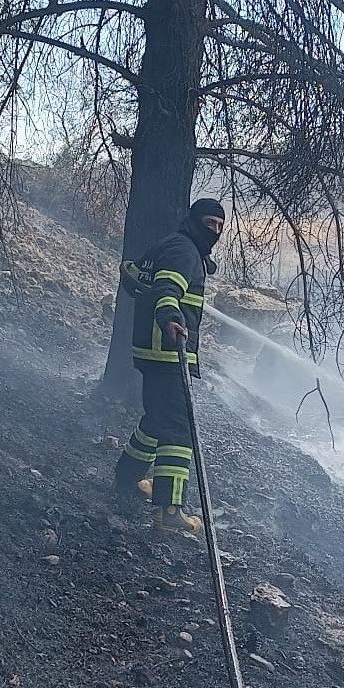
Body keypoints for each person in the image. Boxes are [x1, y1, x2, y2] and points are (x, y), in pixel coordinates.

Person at [114, 197, 225, 536]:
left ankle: (127, 477)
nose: (215, 231)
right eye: (209, 223)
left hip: (155, 350)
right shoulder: (183, 251)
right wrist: (170, 319)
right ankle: (171, 509)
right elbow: (167, 289)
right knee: (178, 429)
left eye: (220, 226)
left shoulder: (175, 245)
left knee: (157, 419)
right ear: (194, 221)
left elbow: (139, 276)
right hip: (168, 350)